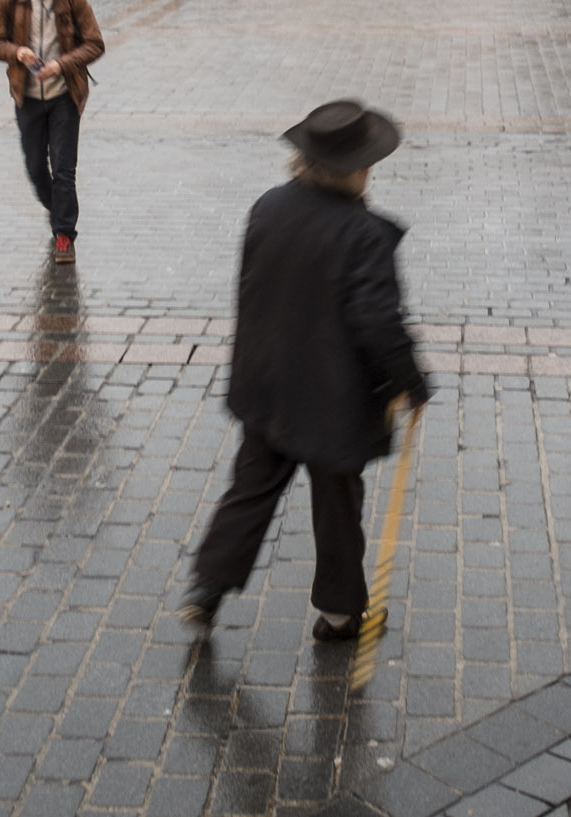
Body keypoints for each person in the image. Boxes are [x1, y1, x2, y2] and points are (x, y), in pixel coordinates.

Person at [176, 100, 430, 643]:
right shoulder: (365, 234)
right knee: (337, 504)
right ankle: (340, 614)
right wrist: (412, 381)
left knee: (251, 488)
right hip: (332, 399)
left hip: (268, 383)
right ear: (357, 169)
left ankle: (207, 587)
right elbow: (378, 321)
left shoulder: (268, 207)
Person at [0, 0, 104, 264]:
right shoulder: (10, 3)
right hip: (27, 98)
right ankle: (55, 207)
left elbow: (95, 44)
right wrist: (17, 52)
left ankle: (64, 235)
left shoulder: (72, 2)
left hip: (65, 96)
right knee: (36, 166)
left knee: (64, 169)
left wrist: (61, 65)